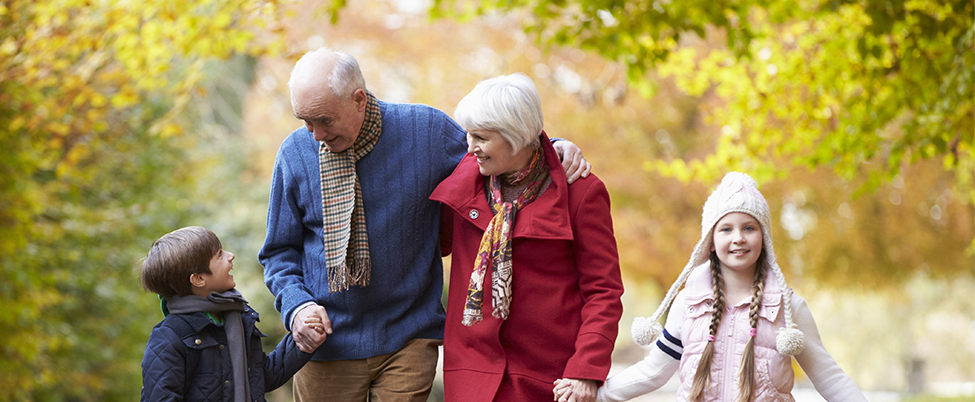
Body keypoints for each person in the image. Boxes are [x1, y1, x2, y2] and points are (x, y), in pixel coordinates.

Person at [259, 48, 591, 402]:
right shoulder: (294, 154)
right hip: (326, 342)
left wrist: (553, 146)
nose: (315, 135)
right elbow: (278, 253)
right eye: (305, 121)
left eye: (324, 120)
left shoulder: (426, 132)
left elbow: (498, 148)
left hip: (409, 335)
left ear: (358, 100)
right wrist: (297, 307)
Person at [582, 172, 866, 402]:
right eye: (726, 229)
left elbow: (828, 376)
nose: (738, 238)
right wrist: (597, 394)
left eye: (749, 228)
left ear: (764, 237)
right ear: (711, 240)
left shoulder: (788, 309)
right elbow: (653, 372)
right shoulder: (688, 304)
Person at [429, 73, 624, 402]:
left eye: (481, 137)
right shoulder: (461, 181)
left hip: (550, 379)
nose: (470, 147)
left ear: (515, 136)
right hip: (470, 376)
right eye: (469, 135)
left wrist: (585, 371)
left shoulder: (583, 194)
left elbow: (603, 292)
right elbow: (431, 244)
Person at [139, 226, 323, 402]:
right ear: (199, 279)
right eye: (219, 255)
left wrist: (302, 340)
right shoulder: (169, 336)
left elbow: (263, 376)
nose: (230, 256)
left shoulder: (236, 319)